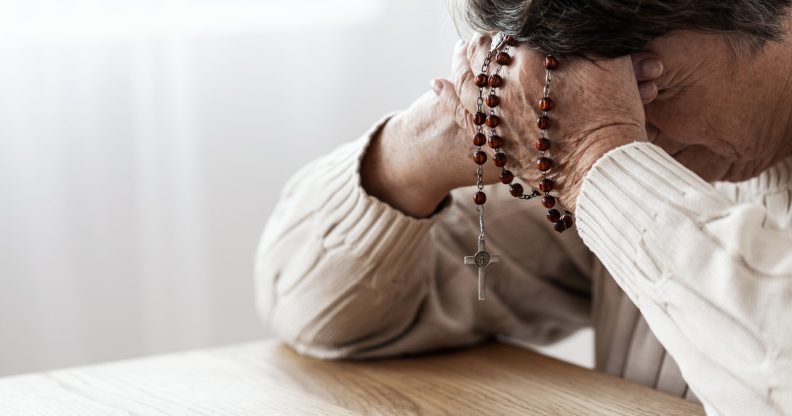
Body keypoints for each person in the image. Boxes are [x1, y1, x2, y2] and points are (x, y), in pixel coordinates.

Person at [255, 1, 792, 414]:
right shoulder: (631, 149)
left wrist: (596, 157)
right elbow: (313, 309)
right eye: (583, 87)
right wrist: (433, 139)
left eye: (652, 85)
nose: (634, 134)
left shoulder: (611, 153)